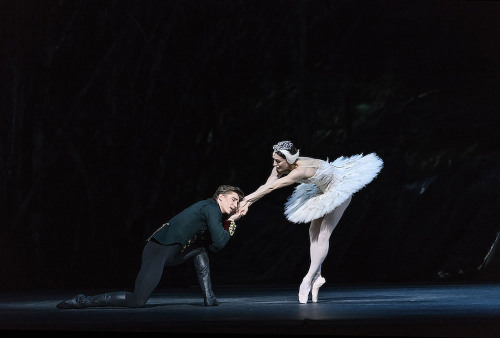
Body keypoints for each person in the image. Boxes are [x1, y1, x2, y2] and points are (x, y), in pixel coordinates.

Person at [238, 141, 383, 304]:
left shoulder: (301, 171)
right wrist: (247, 202)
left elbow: (273, 188)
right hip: (321, 190)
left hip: (338, 189)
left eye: (277, 161)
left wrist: (245, 200)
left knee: (323, 234)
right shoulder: (281, 165)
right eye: (274, 160)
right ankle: (318, 275)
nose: (274, 164)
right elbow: (267, 185)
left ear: (289, 160)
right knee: (312, 232)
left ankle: (307, 279)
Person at [56, 185, 244, 309]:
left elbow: (214, 247)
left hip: (173, 251)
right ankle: (82, 301)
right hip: (158, 250)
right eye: (233, 199)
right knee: (138, 301)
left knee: (200, 248)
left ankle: (209, 298)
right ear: (220, 197)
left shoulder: (212, 212)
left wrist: (229, 222)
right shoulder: (210, 208)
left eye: (238, 202)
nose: (235, 205)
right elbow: (220, 241)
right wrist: (233, 221)